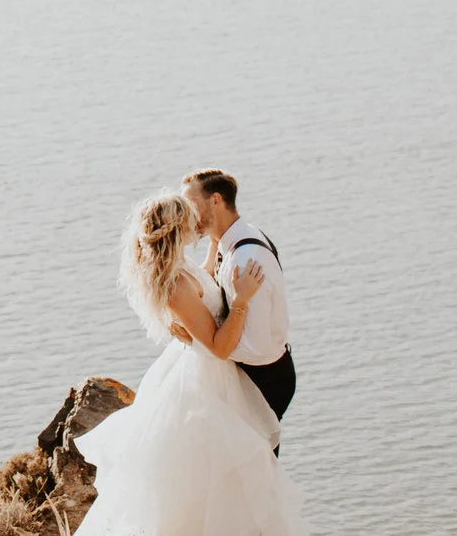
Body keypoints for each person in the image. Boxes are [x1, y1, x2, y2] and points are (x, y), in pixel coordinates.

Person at [76, 191, 306, 536]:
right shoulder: (176, 286)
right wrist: (241, 300)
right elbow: (218, 346)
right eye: (188, 218)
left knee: (234, 476)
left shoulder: (179, 268)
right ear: (176, 228)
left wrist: (217, 241)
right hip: (209, 384)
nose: (195, 222)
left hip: (210, 376)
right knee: (217, 483)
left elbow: (202, 283)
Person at [176, 169, 295, 437]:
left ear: (215, 200)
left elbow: (256, 346)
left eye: (191, 202)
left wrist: (198, 342)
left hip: (263, 378)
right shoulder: (230, 241)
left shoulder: (245, 261)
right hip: (259, 372)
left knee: (253, 466)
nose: (185, 212)